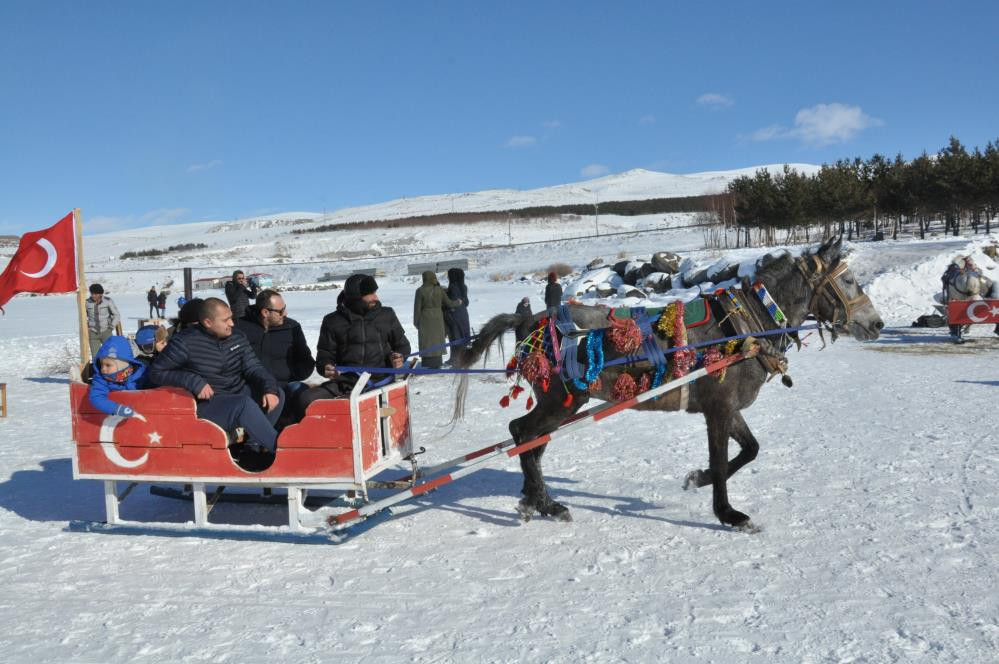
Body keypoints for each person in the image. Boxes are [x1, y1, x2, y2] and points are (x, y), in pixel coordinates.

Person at [149, 298, 282, 455]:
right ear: (208, 322)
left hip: (235, 392)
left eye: (231, 318)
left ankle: (252, 447)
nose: (232, 323)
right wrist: (193, 381)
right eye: (225, 320)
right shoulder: (184, 342)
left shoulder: (237, 336)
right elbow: (156, 372)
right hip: (207, 403)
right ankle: (283, 453)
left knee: (276, 393)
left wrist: (269, 389)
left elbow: (254, 367)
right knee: (243, 405)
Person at [295, 274, 411, 417]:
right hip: (346, 384)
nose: (375, 298)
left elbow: (403, 346)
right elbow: (324, 356)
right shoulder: (332, 321)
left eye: (375, 292)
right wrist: (326, 367)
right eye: (369, 294)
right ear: (355, 298)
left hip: (381, 382)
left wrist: (399, 357)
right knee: (306, 399)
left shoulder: (387, 315)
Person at [235, 289, 315, 413]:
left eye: (284, 308)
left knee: (303, 394)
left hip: (284, 385)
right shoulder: (240, 328)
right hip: (251, 387)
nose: (285, 313)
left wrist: (292, 375)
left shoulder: (292, 327)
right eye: (281, 311)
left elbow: (305, 360)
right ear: (265, 312)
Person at [88, 336, 150, 417]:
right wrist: (116, 409)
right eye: (101, 364)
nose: (103, 369)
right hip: (115, 418)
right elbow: (96, 397)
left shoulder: (141, 374)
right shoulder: (101, 379)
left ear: (124, 364)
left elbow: (155, 385)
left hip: (145, 414)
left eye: (108, 365)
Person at [414, 270, 461, 369]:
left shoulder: (420, 291)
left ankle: (428, 363)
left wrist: (416, 322)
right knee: (437, 340)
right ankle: (437, 362)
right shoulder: (439, 290)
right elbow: (449, 303)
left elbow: (417, 309)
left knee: (427, 340)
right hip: (438, 318)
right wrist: (458, 302)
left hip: (425, 319)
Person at [85, 284, 121, 359]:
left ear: (100, 294)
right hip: (93, 332)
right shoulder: (87, 302)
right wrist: (87, 327)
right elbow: (83, 316)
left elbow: (116, 315)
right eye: (92, 293)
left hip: (106, 331)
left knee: (110, 355)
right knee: (96, 357)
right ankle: (97, 366)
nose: (93, 296)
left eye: (96, 294)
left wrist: (111, 327)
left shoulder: (108, 301)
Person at [443, 267, 471, 360]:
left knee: (455, 337)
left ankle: (455, 359)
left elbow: (451, 303)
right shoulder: (464, 286)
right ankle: (464, 358)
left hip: (454, 315)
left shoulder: (452, 287)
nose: (448, 277)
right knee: (463, 337)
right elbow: (466, 303)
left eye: (449, 276)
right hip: (464, 314)